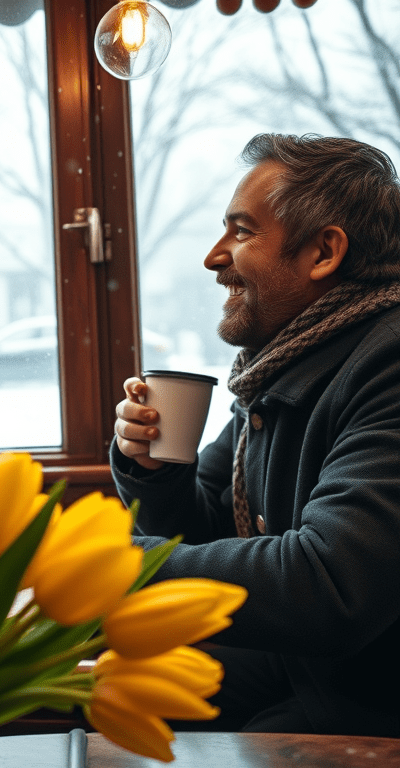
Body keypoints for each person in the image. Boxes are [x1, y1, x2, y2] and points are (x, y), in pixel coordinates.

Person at [112, 133, 400, 737]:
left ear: (323, 252)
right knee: (112, 694)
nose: (215, 257)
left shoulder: (387, 363)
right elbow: (206, 530)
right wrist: (155, 469)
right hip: (312, 668)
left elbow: (330, 585)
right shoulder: (283, 363)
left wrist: (109, 569)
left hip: (366, 697)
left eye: (242, 232)